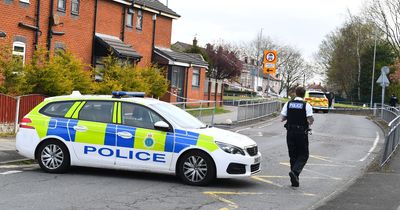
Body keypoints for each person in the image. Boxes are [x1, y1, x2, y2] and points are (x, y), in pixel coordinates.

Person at [281, 87, 314, 187]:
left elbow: (282, 118)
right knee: (304, 154)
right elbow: (310, 120)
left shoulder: (288, 104)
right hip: (301, 132)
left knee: (293, 155)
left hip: (290, 132)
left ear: (295, 93)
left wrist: (290, 117)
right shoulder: (306, 105)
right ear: (304, 95)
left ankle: (294, 180)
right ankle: (295, 172)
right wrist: (310, 122)